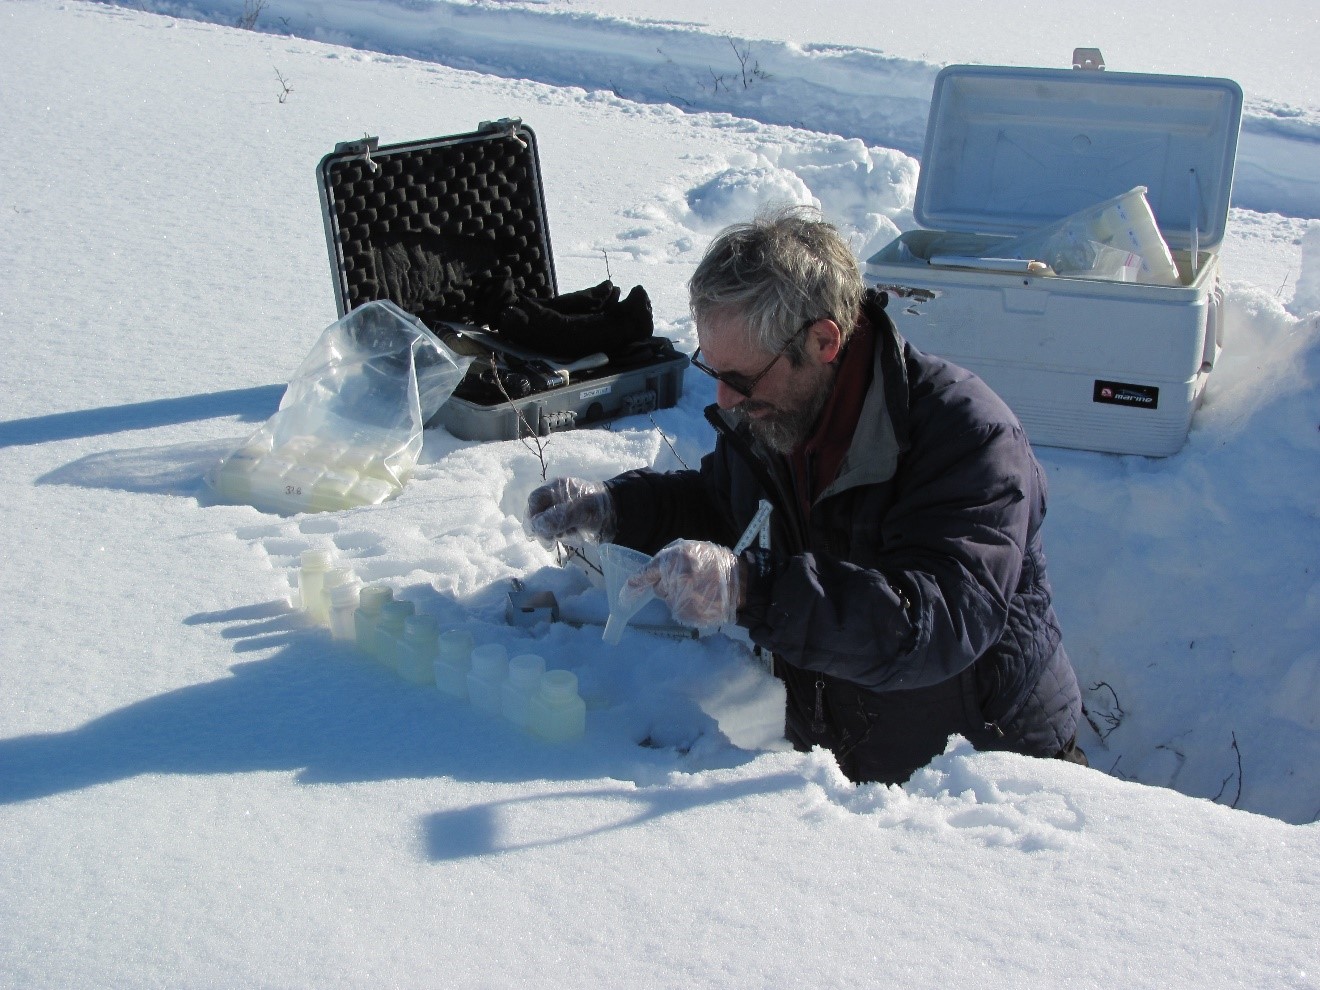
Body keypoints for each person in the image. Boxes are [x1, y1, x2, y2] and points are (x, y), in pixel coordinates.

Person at [526, 205, 1085, 785]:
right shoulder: (780, 410)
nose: (722, 400)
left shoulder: (969, 439)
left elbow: (936, 623)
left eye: (740, 379)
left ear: (823, 340)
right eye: (712, 371)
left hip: (985, 785)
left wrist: (754, 590)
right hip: (843, 770)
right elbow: (722, 502)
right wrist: (616, 508)